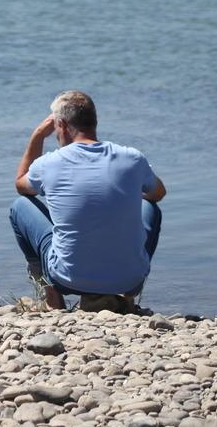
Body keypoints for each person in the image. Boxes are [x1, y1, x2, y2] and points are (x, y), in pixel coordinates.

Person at [11, 90, 165, 312]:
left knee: (20, 206)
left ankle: (52, 297)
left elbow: (20, 185)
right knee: (149, 207)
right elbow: (158, 193)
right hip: (130, 280)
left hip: (67, 279)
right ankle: (127, 297)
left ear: (61, 125)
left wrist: (37, 136)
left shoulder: (49, 164)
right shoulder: (132, 158)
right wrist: (123, 198)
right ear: (94, 121)